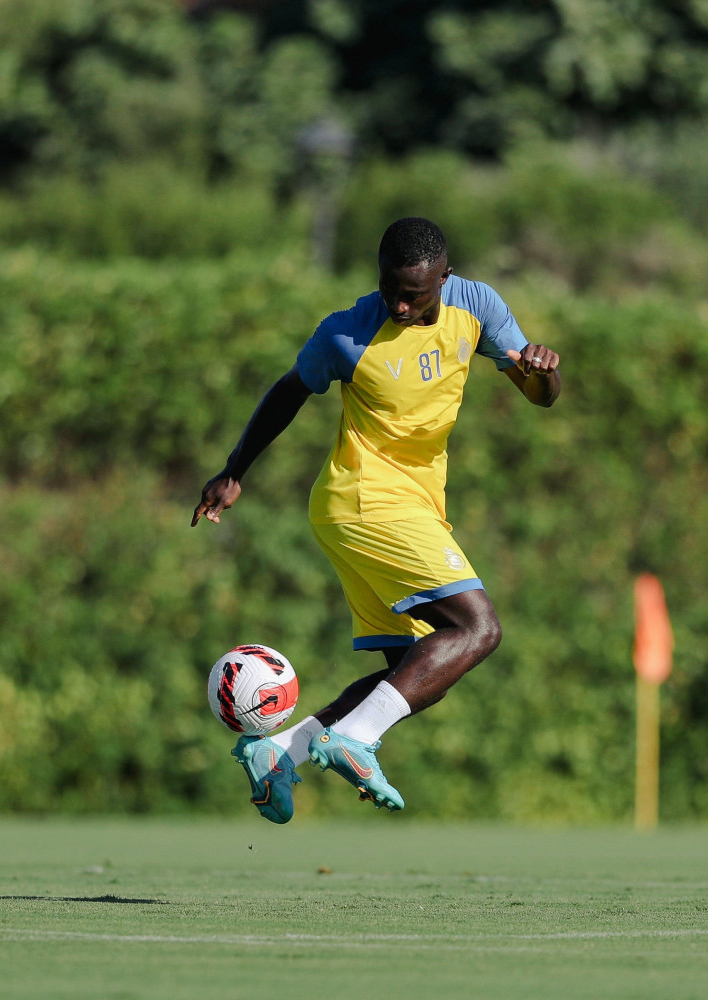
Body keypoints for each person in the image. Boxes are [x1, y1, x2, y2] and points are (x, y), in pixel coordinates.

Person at [191, 217, 561, 824]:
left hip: (414, 505)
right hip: (364, 500)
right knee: (479, 629)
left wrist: (543, 372)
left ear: (445, 277)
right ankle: (356, 741)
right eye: (390, 286)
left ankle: (279, 752)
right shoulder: (345, 333)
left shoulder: (477, 307)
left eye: (414, 292)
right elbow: (288, 391)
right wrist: (235, 470)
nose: (399, 302)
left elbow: (539, 393)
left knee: (419, 676)